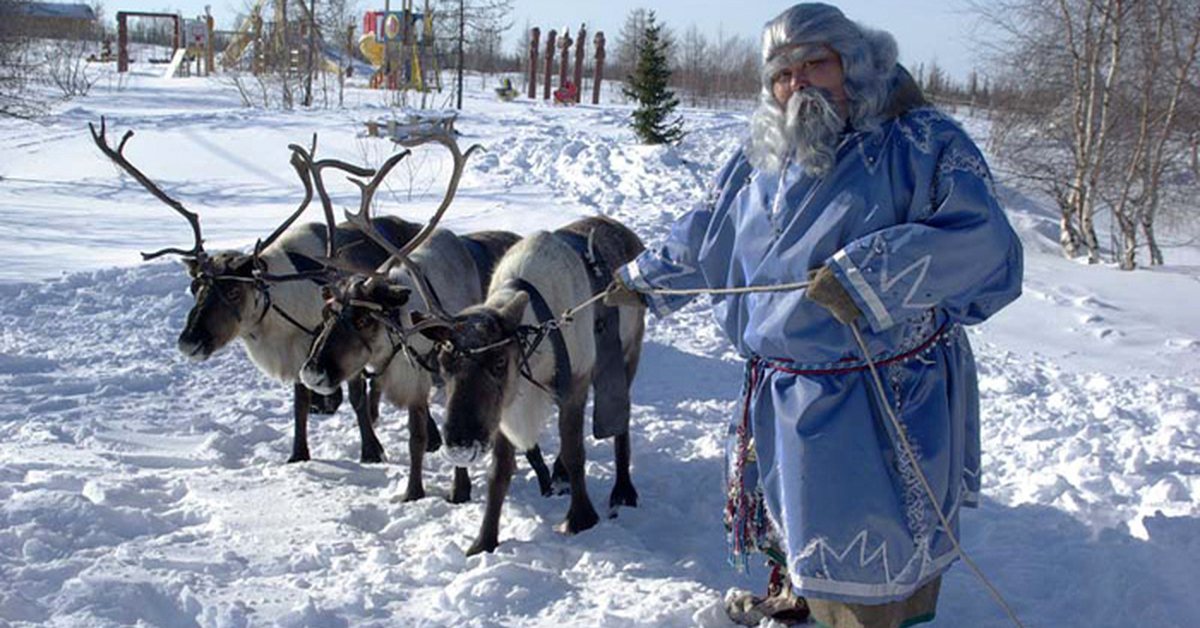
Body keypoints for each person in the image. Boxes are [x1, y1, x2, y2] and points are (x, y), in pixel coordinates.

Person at [604, 4, 1023, 628]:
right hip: (781, 391)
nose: (797, 82)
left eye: (814, 64)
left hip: (881, 397)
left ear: (854, 63)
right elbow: (707, 232)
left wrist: (875, 272)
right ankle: (797, 600)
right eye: (782, 72)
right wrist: (644, 278)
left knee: (867, 555)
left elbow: (986, 244)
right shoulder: (761, 158)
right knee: (792, 520)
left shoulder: (923, 142)